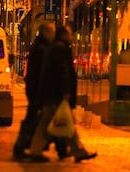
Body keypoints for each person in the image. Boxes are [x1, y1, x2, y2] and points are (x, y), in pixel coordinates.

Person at [27, 25, 97, 163]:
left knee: (53, 123)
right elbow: (62, 73)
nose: (71, 37)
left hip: (51, 93)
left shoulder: (55, 48)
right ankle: (77, 151)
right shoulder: (59, 49)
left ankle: (77, 151)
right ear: (64, 35)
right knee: (58, 123)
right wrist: (65, 91)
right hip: (56, 95)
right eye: (70, 34)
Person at [13, 22, 70, 161]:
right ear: (46, 33)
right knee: (37, 120)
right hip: (38, 90)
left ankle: (61, 147)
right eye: (51, 31)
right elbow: (43, 73)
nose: (53, 34)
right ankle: (23, 147)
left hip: (35, 89)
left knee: (42, 119)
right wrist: (41, 92)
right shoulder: (43, 49)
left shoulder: (39, 47)